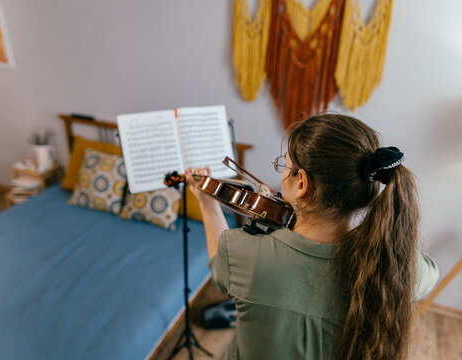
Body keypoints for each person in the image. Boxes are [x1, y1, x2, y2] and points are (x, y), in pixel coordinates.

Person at [185, 114, 439, 360]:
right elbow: (429, 272)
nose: (282, 174)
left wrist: (207, 204)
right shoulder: (391, 267)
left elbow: (219, 261)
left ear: (302, 184)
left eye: (286, 166)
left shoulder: (242, 253)